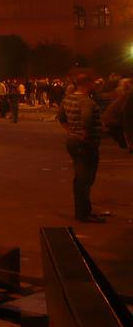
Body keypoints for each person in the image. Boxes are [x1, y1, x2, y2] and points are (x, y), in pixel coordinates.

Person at [58, 73, 105, 223]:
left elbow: (61, 118)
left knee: (80, 178)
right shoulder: (86, 102)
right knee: (86, 178)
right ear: (87, 84)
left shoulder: (68, 99)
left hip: (73, 141)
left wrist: (71, 131)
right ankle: (84, 213)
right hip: (86, 144)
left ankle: (83, 211)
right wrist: (85, 134)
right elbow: (87, 119)